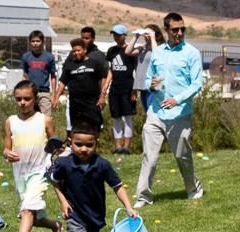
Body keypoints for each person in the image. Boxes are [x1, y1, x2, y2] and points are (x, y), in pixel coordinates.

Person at [49, 124, 138, 232]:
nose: (83, 149)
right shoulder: (64, 164)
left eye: (89, 145)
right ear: (70, 142)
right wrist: (63, 202)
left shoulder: (102, 164)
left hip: (95, 216)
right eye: (78, 144)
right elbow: (55, 182)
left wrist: (129, 206)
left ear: (96, 143)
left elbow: (117, 186)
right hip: (75, 215)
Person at [134, 12, 204, 208]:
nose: (180, 33)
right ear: (166, 30)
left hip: (180, 114)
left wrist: (177, 100)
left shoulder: (192, 53)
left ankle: (193, 189)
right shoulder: (157, 52)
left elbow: (197, 84)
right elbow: (147, 79)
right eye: (175, 29)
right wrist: (152, 84)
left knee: (183, 155)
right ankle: (143, 197)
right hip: (155, 112)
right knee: (150, 156)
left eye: (183, 29)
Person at [0, 81, 62, 232]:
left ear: (35, 99)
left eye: (27, 99)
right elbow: (6, 148)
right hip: (21, 174)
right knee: (33, 217)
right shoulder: (11, 121)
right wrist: (6, 153)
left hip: (40, 171)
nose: (22, 102)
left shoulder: (44, 120)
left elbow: (55, 144)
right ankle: (55, 226)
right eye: (18, 99)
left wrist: (58, 150)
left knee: (27, 209)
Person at [55, 38, 111, 135]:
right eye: (74, 51)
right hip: (76, 103)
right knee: (77, 128)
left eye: (78, 50)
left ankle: (94, 146)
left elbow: (104, 79)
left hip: (92, 102)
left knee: (94, 127)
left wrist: (102, 96)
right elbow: (62, 82)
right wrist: (56, 97)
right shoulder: (69, 65)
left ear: (84, 50)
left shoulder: (94, 63)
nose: (76, 53)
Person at [106, 25, 138, 154]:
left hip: (128, 87)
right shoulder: (111, 51)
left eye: (118, 35)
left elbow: (137, 70)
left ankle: (126, 147)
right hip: (115, 88)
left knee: (128, 117)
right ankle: (118, 147)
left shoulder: (131, 51)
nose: (116, 37)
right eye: (114, 34)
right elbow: (111, 70)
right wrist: (106, 85)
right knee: (116, 117)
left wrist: (135, 89)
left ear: (125, 35)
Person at [126, 25, 162, 113]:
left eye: (148, 33)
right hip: (143, 86)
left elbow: (157, 55)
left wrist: (152, 37)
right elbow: (128, 52)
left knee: (155, 113)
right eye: (145, 33)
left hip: (153, 86)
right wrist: (136, 36)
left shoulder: (160, 47)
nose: (146, 35)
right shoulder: (143, 47)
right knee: (148, 113)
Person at [20, 31, 57, 116]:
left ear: (43, 41)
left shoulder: (49, 57)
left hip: (44, 92)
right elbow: (25, 75)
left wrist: (53, 95)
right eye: (33, 41)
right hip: (30, 92)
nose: (35, 43)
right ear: (30, 42)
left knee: (46, 118)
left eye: (38, 41)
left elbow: (53, 77)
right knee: (28, 117)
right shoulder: (26, 56)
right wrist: (23, 91)